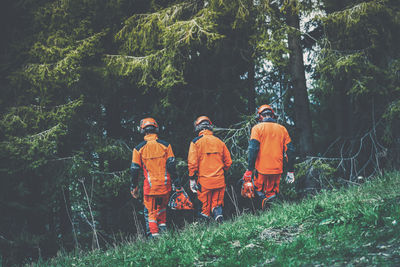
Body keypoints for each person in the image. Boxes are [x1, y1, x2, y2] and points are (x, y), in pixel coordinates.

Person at [130, 117, 181, 238]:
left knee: (151, 214)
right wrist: (176, 182)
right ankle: (164, 236)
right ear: (156, 129)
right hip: (165, 186)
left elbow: (134, 169)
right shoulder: (166, 146)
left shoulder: (138, 149)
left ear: (143, 130)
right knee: (162, 211)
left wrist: (134, 186)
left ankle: (155, 239)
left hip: (150, 188)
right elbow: (172, 165)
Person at [242, 105, 295, 210]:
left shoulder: (257, 128)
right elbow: (290, 151)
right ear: (272, 115)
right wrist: (290, 171)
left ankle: (262, 213)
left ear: (260, 117)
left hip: (262, 170)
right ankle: (271, 212)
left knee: (258, 191)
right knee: (272, 192)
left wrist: (249, 170)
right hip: (277, 169)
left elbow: (253, 149)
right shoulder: (282, 129)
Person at [187, 116, 232, 222]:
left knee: (204, 208)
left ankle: (205, 231)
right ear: (210, 126)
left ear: (197, 128)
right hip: (219, 180)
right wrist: (221, 172)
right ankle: (220, 223)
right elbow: (228, 162)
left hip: (204, 182)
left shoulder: (195, 142)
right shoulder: (219, 142)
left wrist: (192, 179)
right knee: (217, 205)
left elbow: (192, 163)